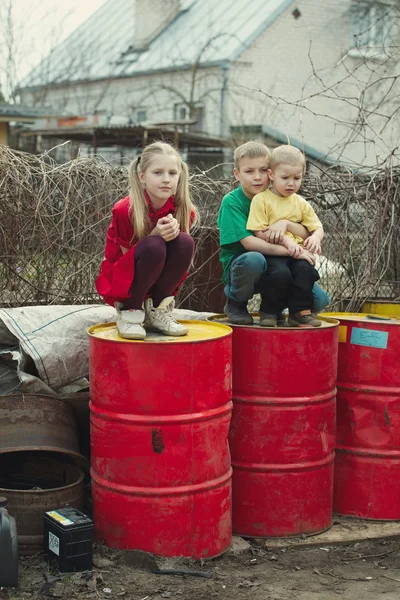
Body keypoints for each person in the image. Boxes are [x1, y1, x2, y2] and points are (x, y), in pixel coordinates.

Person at [217, 141, 329, 326]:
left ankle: (282, 307)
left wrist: (286, 224)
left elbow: (308, 231)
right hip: (246, 266)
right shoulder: (232, 202)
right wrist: (293, 251)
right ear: (237, 174)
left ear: (271, 172)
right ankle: (236, 304)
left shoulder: (286, 199)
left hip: (281, 265)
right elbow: (250, 243)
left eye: (262, 170)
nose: (258, 177)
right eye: (249, 171)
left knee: (320, 300)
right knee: (255, 259)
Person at [96, 141, 199, 340]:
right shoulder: (125, 210)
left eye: (172, 173)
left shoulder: (184, 210)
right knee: (154, 245)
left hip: (156, 275)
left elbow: (177, 258)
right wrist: (155, 235)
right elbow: (128, 261)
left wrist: (170, 236)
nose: (166, 179)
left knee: (185, 242)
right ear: (142, 177)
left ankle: (158, 310)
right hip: (123, 280)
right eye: (158, 173)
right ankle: (130, 311)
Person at [247, 144, 324, 327]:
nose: (291, 183)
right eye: (285, 178)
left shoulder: (301, 203)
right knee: (279, 275)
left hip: (299, 252)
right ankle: (269, 312)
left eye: (297, 178)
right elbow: (259, 231)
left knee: (305, 270)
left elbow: (317, 227)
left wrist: (315, 238)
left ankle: (300, 312)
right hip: (275, 252)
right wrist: (286, 241)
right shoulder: (262, 199)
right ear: (271, 175)